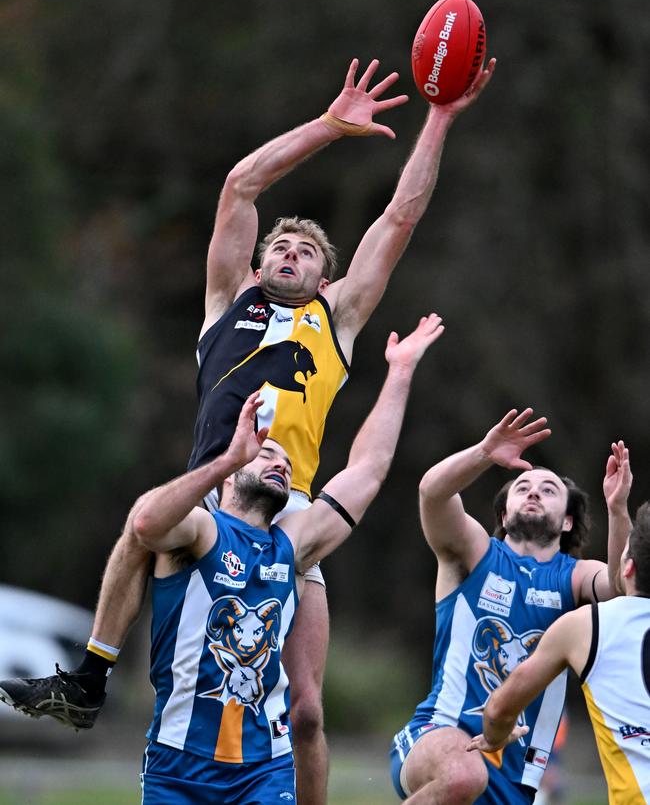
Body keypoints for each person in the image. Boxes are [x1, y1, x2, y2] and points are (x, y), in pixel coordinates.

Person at [0, 54, 494, 804]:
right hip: (218, 493)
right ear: (256, 264)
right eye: (279, 248)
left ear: (327, 279)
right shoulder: (228, 305)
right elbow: (241, 184)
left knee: (306, 713)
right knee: (144, 526)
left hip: (292, 508)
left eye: (306, 252)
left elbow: (399, 216)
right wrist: (330, 128)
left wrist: (438, 118)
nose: (290, 253)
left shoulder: (338, 320)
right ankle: (90, 679)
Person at [136, 316, 441, 803]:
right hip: (178, 766)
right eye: (266, 454)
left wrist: (400, 372)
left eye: (285, 458)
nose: (280, 461)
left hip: (265, 768)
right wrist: (223, 459)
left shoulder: (293, 545)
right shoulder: (199, 531)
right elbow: (146, 525)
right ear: (230, 472)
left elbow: (368, 469)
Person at [389, 413, 632, 805]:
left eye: (549, 490)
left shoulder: (573, 578)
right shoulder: (475, 552)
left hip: (519, 775)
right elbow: (432, 493)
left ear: (568, 521)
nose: (534, 493)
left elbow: (622, 588)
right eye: (523, 487)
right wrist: (485, 453)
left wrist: (618, 509)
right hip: (439, 735)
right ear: (503, 515)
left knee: (471, 779)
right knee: (464, 776)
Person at [468, 492, 650, 805]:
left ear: (629, 567)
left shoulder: (586, 625)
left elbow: (498, 710)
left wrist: (494, 736)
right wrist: (617, 508)